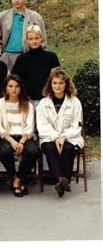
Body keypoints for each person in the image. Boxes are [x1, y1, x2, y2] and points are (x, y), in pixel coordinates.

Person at [36, 67, 84, 197]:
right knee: (49, 148)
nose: (58, 86)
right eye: (55, 83)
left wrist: (64, 137)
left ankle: (61, 181)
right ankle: (63, 180)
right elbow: (42, 126)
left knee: (68, 149)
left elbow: (77, 125)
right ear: (50, 84)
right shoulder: (43, 103)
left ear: (66, 84)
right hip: (49, 138)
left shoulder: (75, 102)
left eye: (61, 83)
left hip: (70, 138)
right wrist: (55, 137)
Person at [0, 74, 39, 197]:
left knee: (33, 151)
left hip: (24, 136)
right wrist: (12, 141)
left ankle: (18, 179)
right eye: (10, 86)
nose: (13, 89)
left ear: (21, 88)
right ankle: (14, 175)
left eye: (16, 86)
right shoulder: (0, 104)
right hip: (7, 136)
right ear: (6, 88)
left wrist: (21, 142)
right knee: (4, 151)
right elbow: (0, 127)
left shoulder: (28, 104)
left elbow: (30, 128)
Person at [0, 0, 47, 71]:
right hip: (6, 56)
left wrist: (40, 59)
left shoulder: (36, 17)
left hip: (26, 55)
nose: (16, 0)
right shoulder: (2, 17)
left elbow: (43, 42)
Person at [11, 25, 60, 108]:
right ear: (26, 40)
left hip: (47, 100)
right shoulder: (21, 59)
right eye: (31, 39)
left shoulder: (51, 57)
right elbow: (15, 79)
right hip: (27, 101)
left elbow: (59, 78)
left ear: (41, 38)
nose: (34, 41)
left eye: (36, 38)